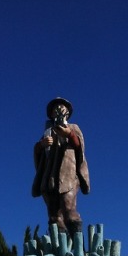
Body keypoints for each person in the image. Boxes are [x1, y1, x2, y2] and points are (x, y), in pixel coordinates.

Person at [32, 97, 90, 236]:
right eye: (55, 108)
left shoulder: (73, 127)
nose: (58, 110)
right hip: (50, 178)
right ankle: (60, 248)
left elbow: (80, 147)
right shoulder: (47, 132)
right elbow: (37, 152)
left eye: (62, 107)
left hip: (68, 175)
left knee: (68, 208)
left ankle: (77, 247)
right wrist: (41, 145)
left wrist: (69, 134)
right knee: (53, 215)